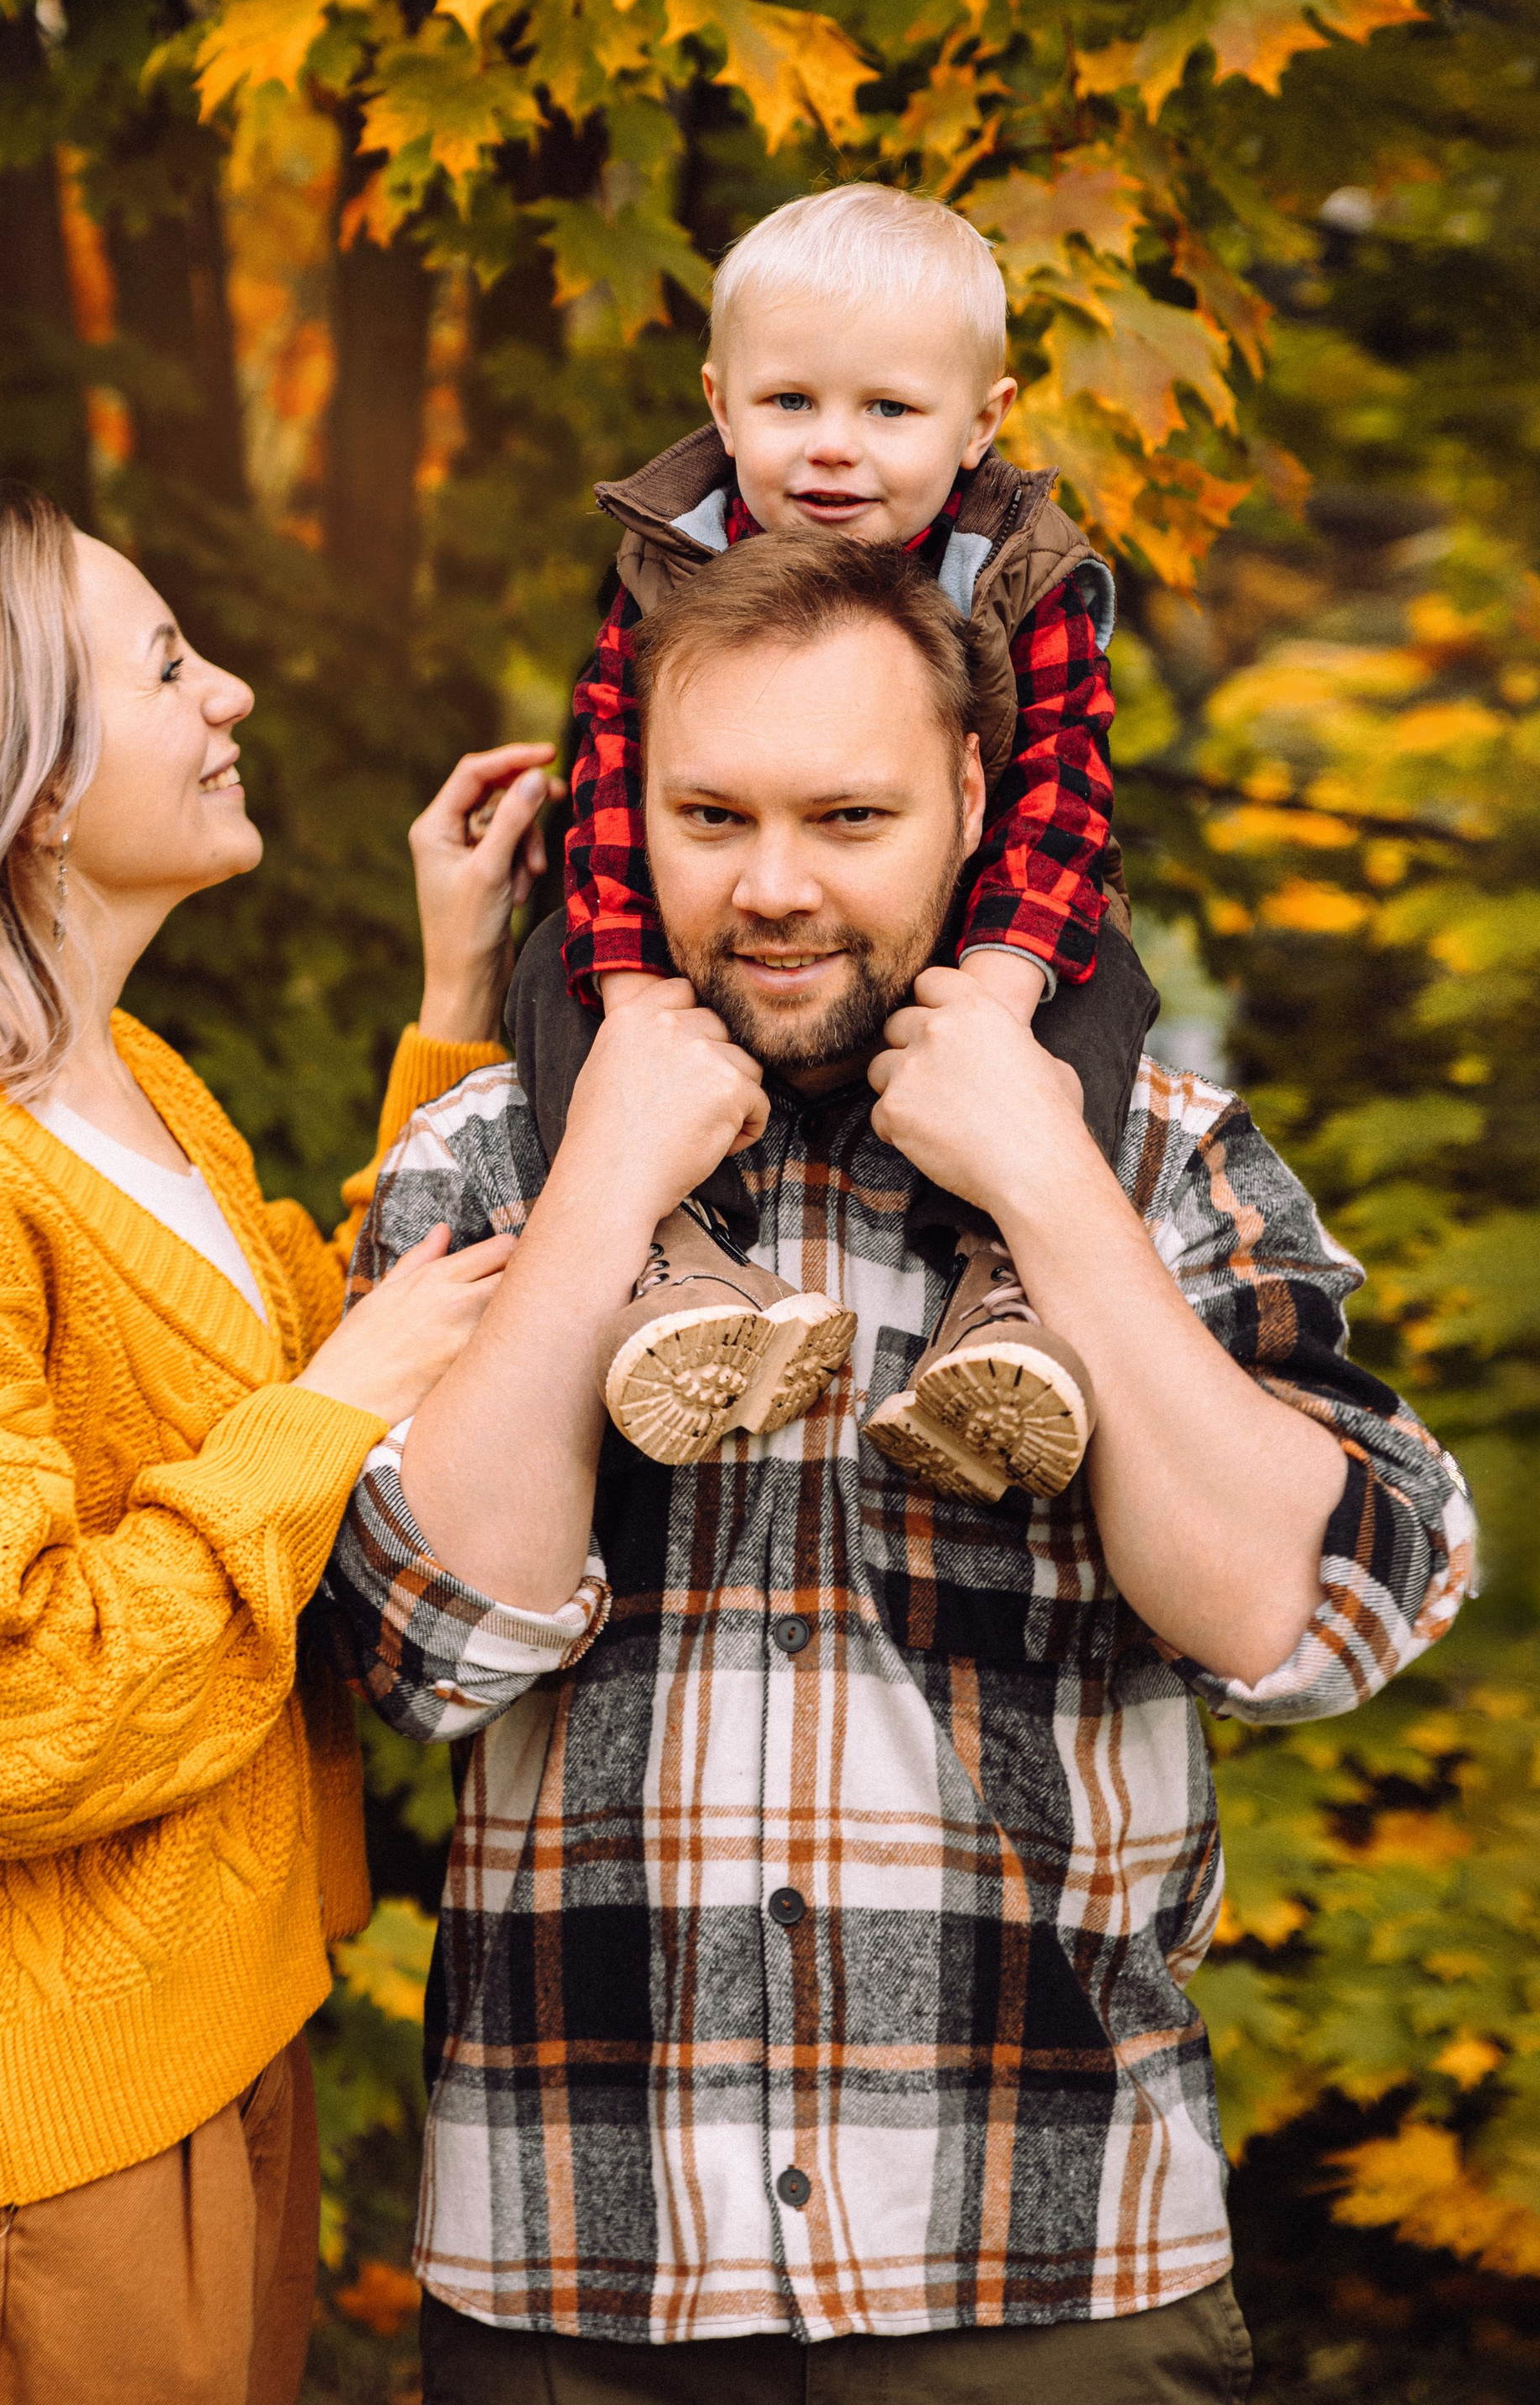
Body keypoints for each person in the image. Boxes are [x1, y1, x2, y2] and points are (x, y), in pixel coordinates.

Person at [324, 531, 1473, 2405]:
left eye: (843, 815)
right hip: (578, 2287)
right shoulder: (496, 1153)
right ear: (634, 810)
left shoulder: (1155, 1157)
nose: (770, 889)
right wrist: (604, 1183)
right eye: (710, 816)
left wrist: (1048, 1188)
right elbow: (416, 1642)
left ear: (966, 799)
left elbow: (1311, 1618)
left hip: (1050, 2268)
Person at [0, 488, 556, 2405]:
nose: (230, 689)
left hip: (196, 2043)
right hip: (24, 2151)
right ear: (26, 786)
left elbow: (317, 1380)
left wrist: (451, 1006)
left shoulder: (124, 1083)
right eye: (165, 664)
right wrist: (328, 1407)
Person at [523, 181, 1156, 1497]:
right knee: (549, 971)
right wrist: (639, 1004)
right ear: (719, 401)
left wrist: (994, 996)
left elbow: (1060, 798)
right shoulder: (666, 561)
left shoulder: (1021, 571)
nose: (832, 450)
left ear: (981, 423)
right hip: (724, 956)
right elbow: (609, 786)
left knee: (1102, 992)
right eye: (790, 403)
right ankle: (673, 1256)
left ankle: (1004, 1287)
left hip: (967, 934)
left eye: (889, 410)